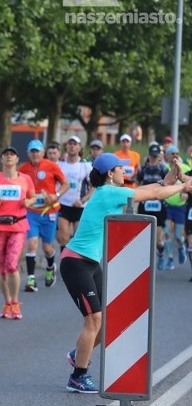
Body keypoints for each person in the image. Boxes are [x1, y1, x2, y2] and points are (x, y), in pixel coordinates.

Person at [60, 153, 192, 392]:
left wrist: (170, 179)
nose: (125, 172)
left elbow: (153, 188)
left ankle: (79, 352)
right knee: (94, 319)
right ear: (110, 173)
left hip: (90, 263)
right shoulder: (109, 193)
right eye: (120, 169)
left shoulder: (111, 192)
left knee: (106, 320)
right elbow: (151, 194)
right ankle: (78, 375)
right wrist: (184, 185)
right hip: (75, 262)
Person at [0, 146, 36, 319]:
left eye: (12, 155)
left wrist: (29, 202)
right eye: (5, 155)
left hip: (17, 227)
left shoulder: (25, 179)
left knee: (12, 265)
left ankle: (15, 302)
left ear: (17, 159)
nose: (9, 157)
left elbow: (34, 197)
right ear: (1, 160)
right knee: (3, 269)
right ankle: (6, 302)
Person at [19, 139, 70, 292]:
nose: (35, 154)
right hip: (32, 212)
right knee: (32, 243)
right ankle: (31, 279)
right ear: (28, 153)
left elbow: (65, 184)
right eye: (32, 151)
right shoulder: (23, 169)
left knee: (47, 248)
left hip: (49, 212)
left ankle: (50, 267)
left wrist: (56, 195)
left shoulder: (51, 166)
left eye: (37, 151)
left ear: (43, 153)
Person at [56, 136, 93, 252]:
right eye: (70, 144)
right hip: (63, 205)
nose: (72, 146)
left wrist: (83, 200)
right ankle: (64, 266)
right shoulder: (59, 164)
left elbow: (94, 186)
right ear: (66, 146)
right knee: (64, 238)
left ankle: (77, 266)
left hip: (79, 206)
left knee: (78, 238)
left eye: (75, 144)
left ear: (79, 147)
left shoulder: (86, 166)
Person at [136, 142, 169, 268]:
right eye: (152, 156)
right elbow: (138, 183)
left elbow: (168, 185)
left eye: (156, 156)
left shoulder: (163, 169)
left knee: (158, 240)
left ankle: (160, 252)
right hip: (145, 204)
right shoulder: (143, 169)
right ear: (149, 155)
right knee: (144, 236)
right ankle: (144, 263)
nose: (154, 158)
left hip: (159, 206)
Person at [161, 145, 190, 269]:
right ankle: (170, 259)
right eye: (172, 153)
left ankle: (181, 247)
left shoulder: (186, 168)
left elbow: (190, 184)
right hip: (168, 205)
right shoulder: (164, 169)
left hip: (180, 207)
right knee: (167, 233)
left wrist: (187, 195)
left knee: (178, 235)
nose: (175, 155)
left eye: (176, 153)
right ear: (167, 156)